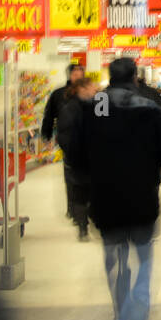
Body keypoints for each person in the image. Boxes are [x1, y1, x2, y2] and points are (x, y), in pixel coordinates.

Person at [59, 57, 161, 320]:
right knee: (144, 258)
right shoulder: (149, 108)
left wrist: (88, 184)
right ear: (135, 77)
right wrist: (154, 170)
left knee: (115, 260)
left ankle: (122, 316)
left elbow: (76, 153)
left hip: (105, 200)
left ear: (109, 77)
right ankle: (133, 316)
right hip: (142, 200)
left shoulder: (94, 108)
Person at [41, 62, 85, 222]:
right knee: (71, 175)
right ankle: (73, 208)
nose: (77, 76)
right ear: (69, 75)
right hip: (68, 141)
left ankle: (83, 209)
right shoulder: (59, 94)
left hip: (88, 141)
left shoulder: (90, 92)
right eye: (74, 73)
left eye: (80, 73)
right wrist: (46, 135)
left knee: (85, 176)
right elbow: (49, 115)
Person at [57, 77, 97, 241]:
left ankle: (87, 224)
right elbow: (64, 135)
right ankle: (83, 226)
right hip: (79, 158)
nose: (95, 91)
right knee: (81, 192)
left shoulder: (97, 106)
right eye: (92, 88)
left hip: (88, 158)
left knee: (86, 192)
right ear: (82, 89)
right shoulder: (70, 108)